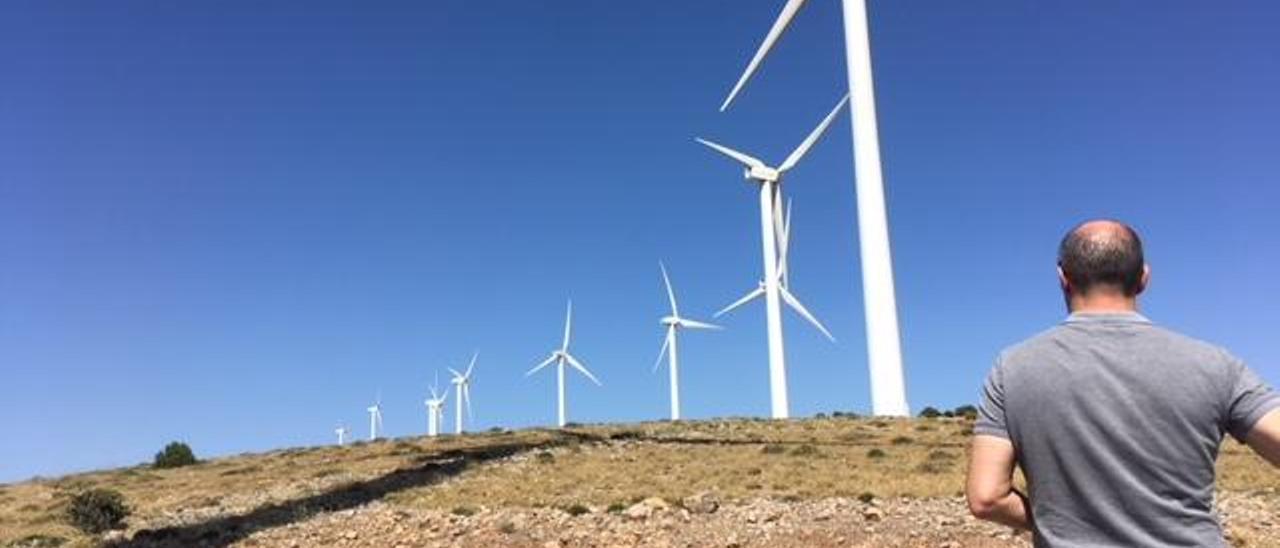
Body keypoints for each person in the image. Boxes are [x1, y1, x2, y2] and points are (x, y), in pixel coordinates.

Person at [965, 219, 1280, 547]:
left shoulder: (1013, 367)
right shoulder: (1217, 364)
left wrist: (1062, 524)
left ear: (1062, 278)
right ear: (1144, 277)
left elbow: (986, 497)